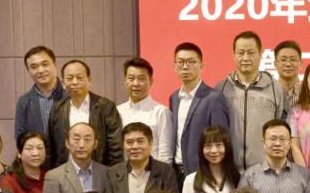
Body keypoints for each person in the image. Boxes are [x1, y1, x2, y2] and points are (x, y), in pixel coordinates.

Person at [219, 31, 285, 170]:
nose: (245, 58)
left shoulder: (275, 87)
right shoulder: (221, 88)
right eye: (241, 53)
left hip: (265, 169)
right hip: (229, 170)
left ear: (260, 54)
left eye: (251, 53)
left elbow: (280, 125)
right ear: (234, 55)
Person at [169, 42, 232, 175]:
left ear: (201, 66)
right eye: (180, 62)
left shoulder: (214, 98)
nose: (185, 66)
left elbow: (221, 141)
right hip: (176, 172)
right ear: (174, 66)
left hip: (203, 173)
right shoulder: (174, 98)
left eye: (191, 62)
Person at [46, 59, 123, 168]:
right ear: (63, 83)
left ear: (89, 80)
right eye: (70, 78)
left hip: (99, 172)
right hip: (65, 172)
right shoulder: (57, 109)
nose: (74, 82)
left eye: (79, 77)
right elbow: (50, 146)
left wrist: (113, 173)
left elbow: (116, 147)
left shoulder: (105, 106)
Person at [116, 57, 174, 164]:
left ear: (151, 81)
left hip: (153, 172)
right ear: (125, 81)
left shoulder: (161, 112)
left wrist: (162, 174)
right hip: (125, 171)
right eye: (131, 78)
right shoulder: (118, 111)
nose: (136, 83)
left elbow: (165, 153)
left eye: (141, 79)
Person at [16, 45, 66, 141]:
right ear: (28, 71)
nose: (41, 70)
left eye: (45, 64)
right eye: (34, 67)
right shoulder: (24, 102)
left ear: (55, 64)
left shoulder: (70, 95)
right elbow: (20, 138)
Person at [274, 40, 304, 116]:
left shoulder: (309, 92)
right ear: (275, 64)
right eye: (283, 60)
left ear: (301, 64)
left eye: (293, 59)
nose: (288, 64)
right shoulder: (269, 92)